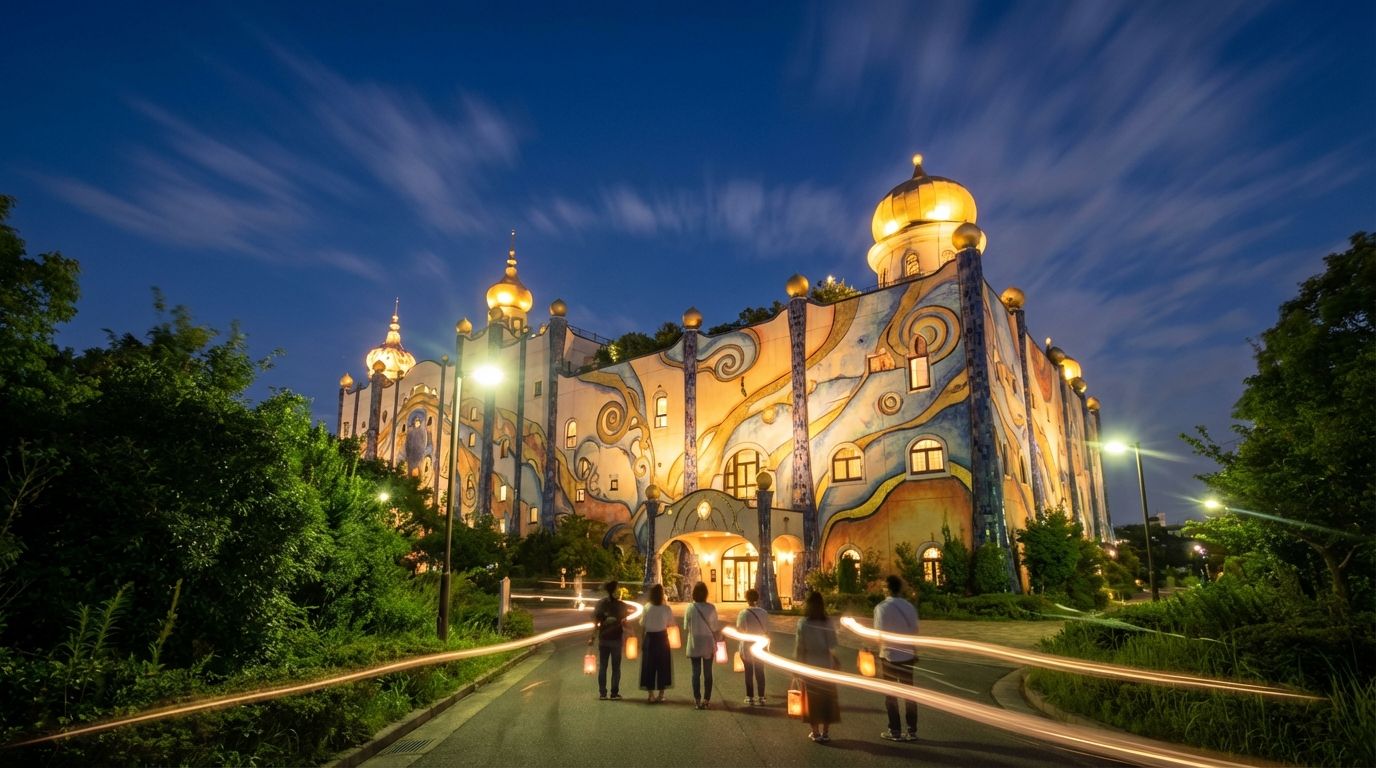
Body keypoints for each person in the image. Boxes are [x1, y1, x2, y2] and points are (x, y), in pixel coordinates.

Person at [874, 574, 919, 741]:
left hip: (889, 656)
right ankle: (912, 730)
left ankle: (895, 731)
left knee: (891, 695)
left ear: (887, 588)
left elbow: (880, 635)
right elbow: (915, 630)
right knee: (909, 694)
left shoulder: (881, 608)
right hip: (908, 655)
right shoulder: (909, 607)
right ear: (900, 588)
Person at [795, 590, 841, 743]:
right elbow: (833, 643)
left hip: (809, 665)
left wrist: (797, 666)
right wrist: (834, 658)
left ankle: (815, 732)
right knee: (827, 699)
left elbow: (800, 647)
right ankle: (826, 732)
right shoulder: (827, 622)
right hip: (826, 664)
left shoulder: (803, 623)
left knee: (812, 700)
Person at [590, 580, 628, 700]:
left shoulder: (601, 604)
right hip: (616, 638)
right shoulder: (621, 605)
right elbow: (624, 622)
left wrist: (592, 637)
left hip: (604, 638)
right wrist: (630, 634)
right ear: (616, 590)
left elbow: (596, 623)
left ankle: (602, 693)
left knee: (603, 666)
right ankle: (614, 693)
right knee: (616, 668)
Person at [683, 581, 719, 709]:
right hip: (708, 642)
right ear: (706, 594)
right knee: (708, 672)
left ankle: (697, 700)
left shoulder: (690, 608)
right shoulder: (711, 608)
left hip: (694, 642)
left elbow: (686, 626)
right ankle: (706, 699)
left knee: (695, 672)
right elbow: (715, 627)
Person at [638, 583, 674, 703]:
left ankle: (650, 694)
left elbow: (642, 625)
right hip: (662, 638)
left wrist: (642, 640)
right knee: (663, 666)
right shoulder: (666, 608)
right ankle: (661, 694)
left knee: (649, 666)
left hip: (650, 638)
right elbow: (670, 624)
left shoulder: (647, 607)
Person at [736, 588, 770, 706]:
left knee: (748, 672)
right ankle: (761, 697)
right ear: (757, 598)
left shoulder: (743, 613)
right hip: (760, 645)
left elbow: (739, 629)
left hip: (747, 646)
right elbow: (766, 629)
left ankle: (750, 697)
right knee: (760, 671)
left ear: (746, 599)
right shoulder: (764, 613)